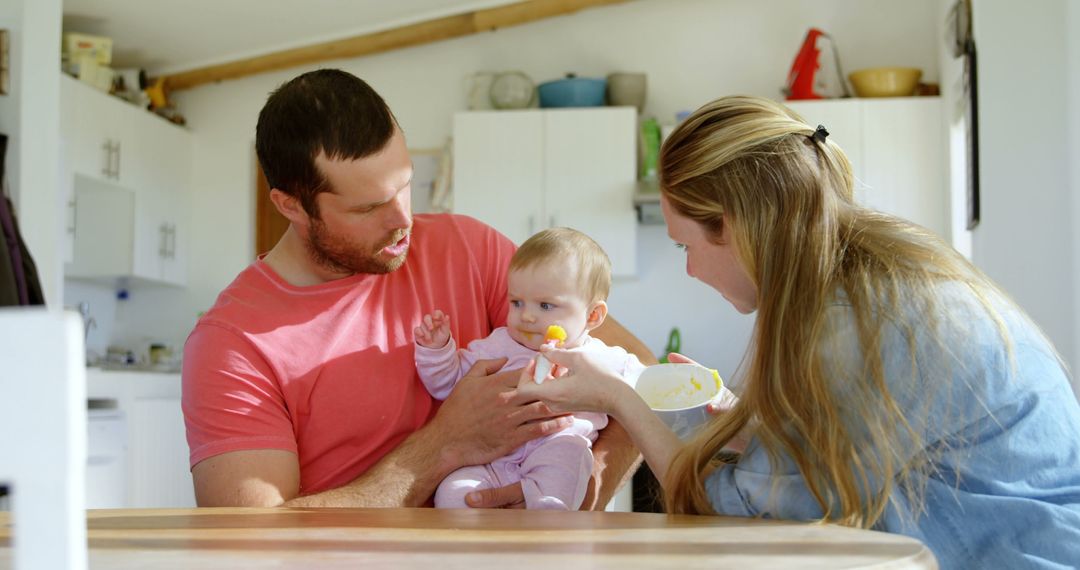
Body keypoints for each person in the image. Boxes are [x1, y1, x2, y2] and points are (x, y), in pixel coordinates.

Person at [518, 95, 1080, 567]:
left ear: (734, 225)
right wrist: (744, 423)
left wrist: (616, 396)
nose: (689, 269)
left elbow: (726, 512)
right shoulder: (874, 279)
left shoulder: (854, 322)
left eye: (684, 245)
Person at [181, 68, 652, 509]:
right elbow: (251, 539)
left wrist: (579, 492)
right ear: (291, 206)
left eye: (405, 186)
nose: (404, 220)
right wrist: (444, 445)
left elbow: (642, 379)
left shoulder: (469, 248)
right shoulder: (232, 346)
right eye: (369, 209)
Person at [414, 227, 646, 509]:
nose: (526, 316)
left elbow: (651, 391)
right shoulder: (497, 345)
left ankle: (547, 524)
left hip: (557, 450)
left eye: (546, 306)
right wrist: (438, 349)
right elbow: (447, 383)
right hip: (492, 458)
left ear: (593, 315)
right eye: (517, 302)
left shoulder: (602, 359)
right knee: (453, 495)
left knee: (567, 468)